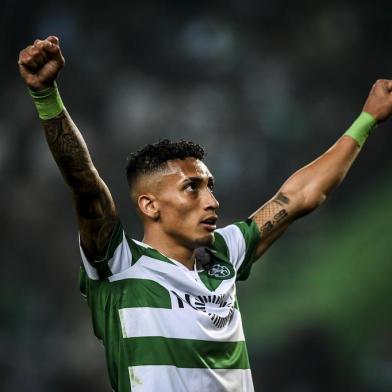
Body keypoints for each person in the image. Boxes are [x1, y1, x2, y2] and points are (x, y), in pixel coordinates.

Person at [18, 36, 392, 392]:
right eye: (192, 188)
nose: (211, 201)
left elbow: (298, 197)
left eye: (210, 186)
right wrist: (46, 97)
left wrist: (367, 119)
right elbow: (85, 184)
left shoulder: (224, 254)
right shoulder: (119, 264)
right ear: (150, 206)